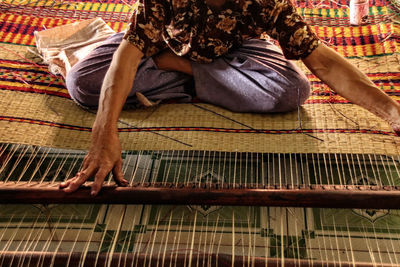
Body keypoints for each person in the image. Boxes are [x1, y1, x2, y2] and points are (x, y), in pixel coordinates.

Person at [60, 0, 400, 196]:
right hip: (161, 43)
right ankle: (203, 80)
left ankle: (181, 74)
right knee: (83, 83)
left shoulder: (265, 3)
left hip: (235, 52)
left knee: (292, 90)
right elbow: (130, 52)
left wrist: (391, 111)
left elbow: (320, 58)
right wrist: (103, 132)